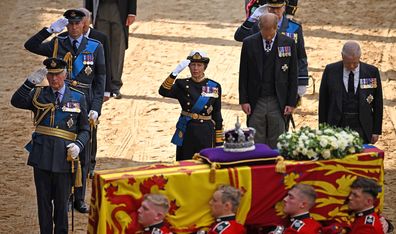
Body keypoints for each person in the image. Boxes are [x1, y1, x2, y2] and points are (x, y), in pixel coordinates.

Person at [24, 8, 106, 213]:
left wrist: (97, 108)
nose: (73, 27)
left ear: (84, 25)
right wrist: (49, 30)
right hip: (63, 101)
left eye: (77, 24)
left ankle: (79, 197)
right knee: (64, 150)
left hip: (85, 101)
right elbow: (30, 45)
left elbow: (100, 80)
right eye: (69, 24)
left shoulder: (95, 46)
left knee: (83, 151)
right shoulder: (57, 43)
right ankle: (66, 196)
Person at [10, 58, 90, 234]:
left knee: (62, 204)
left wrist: (78, 145)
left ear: (65, 74)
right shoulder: (39, 95)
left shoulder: (78, 96)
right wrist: (28, 84)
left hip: (64, 157)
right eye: (51, 75)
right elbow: (15, 101)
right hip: (42, 155)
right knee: (43, 202)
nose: (54, 79)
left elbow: (85, 129)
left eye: (58, 75)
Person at [239, 13, 298, 148]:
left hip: (278, 100)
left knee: (277, 139)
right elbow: (244, 74)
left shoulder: (288, 43)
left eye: (270, 29)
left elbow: (293, 75)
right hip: (256, 99)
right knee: (256, 139)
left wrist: (291, 102)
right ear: (260, 27)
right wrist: (244, 100)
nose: (267, 34)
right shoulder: (249, 43)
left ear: (276, 27)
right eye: (264, 29)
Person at [235, 0, 308, 99]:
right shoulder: (259, 26)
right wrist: (252, 19)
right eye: (271, 8)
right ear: (267, 8)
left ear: (284, 7)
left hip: (284, 83)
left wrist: (302, 81)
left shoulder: (294, 28)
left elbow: (301, 56)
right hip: (261, 84)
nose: (275, 11)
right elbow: (239, 36)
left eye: (278, 8)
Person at [159, 50, 223, 160]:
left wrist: (219, 141)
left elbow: (217, 113)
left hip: (205, 132)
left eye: (199, 65)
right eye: (193, 65)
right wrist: (174, 73)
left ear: (205, 67)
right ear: (188, 66)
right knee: (185, 165)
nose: (196, 68)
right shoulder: (182, 85)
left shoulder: (214, 86)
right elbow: (163, 91)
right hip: (186, 129)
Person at [318, 41, 383, 144]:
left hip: (362, 127)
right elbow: (323, 103)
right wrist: (322, 129)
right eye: (348, 63)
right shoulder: (330, 71)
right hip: (336, 125)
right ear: (342, 56)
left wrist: (376, 131)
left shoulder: (371, 72)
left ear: (360, 57)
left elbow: (378, 103)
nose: (352, 66)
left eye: (355, 63)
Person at [85, 0, 137, 99]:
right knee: (100, 48)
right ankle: (102, 84)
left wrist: (131, 12)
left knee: (117, 49)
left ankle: (115, 86)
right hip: (100, 7)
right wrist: (88, 12)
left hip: (120, 9)